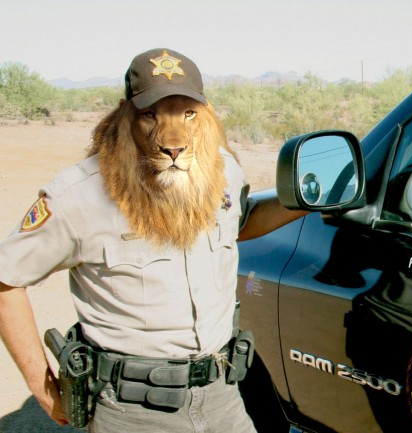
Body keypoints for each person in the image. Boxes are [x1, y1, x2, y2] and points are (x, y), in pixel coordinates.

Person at [0, 48, 307, 432]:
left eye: (188, 114)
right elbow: (6, 280)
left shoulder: (223, 169)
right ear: (125, 114)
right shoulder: (77, 195)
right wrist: (41, 385)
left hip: (223, 395)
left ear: (205, 112)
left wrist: (306, 202)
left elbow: (237, 222)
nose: (172, 139)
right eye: (150, 116)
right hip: (133, 410)